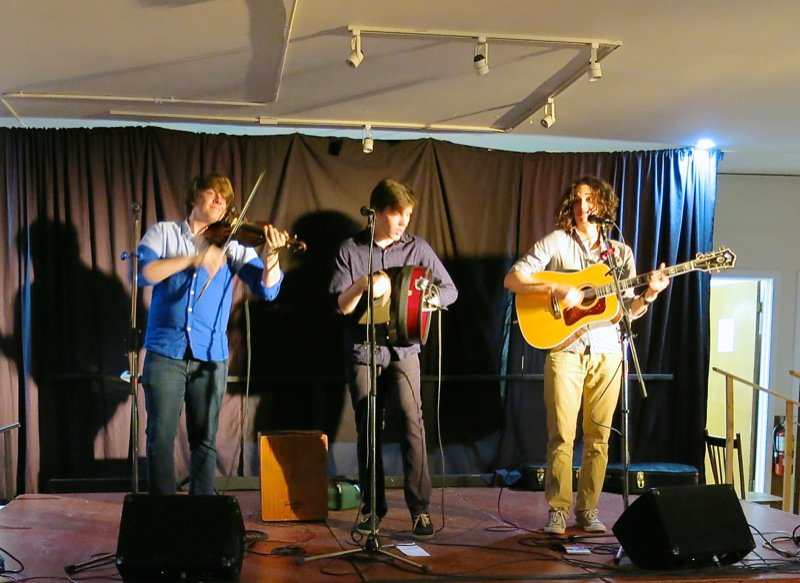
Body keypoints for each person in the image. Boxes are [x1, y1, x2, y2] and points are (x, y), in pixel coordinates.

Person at [503, 176, 669, 535]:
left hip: (608, 352)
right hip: (565, 350)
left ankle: (588, 510)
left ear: (603, 206)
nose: (582, 207)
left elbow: (627, 309)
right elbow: (513, 279)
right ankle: (558, 510)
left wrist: (651, 293)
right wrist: (557, 286)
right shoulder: (558, 242)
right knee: (561, 435)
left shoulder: (619, 254)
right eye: (577, 200)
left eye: (590, 200)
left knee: (599, 438)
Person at [137, 173, 288, 495]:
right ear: (194, 198)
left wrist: (272, 255)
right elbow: (144, 273)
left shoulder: (234, 243)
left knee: (205, 439)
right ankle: (162, 511)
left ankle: (202, 511)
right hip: (165, 353)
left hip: (211, 356)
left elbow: (268, 290)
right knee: (159, 436)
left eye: (225, 197)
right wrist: (195, 257)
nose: (221, 201)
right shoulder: (163, 233)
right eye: (213, 194)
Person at [330, 178, 458, 540]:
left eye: (408, 215)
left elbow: (451, 290)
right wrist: (368, 282)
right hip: (363, 349)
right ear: (377, 212)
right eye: (397, 214)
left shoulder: (418, 248)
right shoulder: (352, 250)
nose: (404, 221)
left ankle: (420, 510)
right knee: (368, 426)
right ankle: (372, 508)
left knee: (412, 424)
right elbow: (341, 306)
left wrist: (426, 299)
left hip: (405, 349)